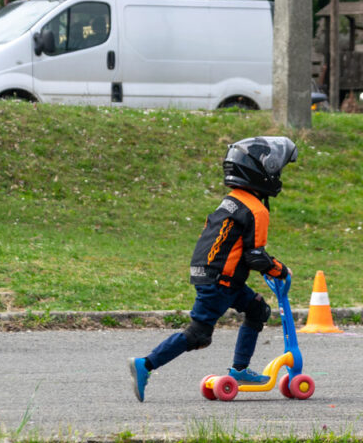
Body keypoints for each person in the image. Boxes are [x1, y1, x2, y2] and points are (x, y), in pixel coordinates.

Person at [128, 136, 298, 402]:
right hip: (221, 280)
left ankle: (240, 370)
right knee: (198, 334)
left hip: (214, 275)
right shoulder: (256, 209)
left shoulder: (232, 200)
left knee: (257, 309)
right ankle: (145, 364)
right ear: (261, 172)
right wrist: (281, 270)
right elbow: (255, 256)